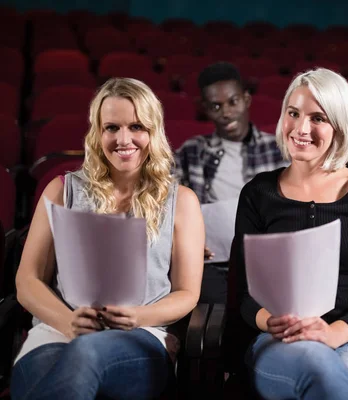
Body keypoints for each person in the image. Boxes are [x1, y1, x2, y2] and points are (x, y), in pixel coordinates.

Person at [11, 78, 205, 399]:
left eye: (136, 127)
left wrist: (138, 317)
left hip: (140, 332)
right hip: (58, 331)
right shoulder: (62, 190)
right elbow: (27, 281)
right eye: (112, 127)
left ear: (153, 132)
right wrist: (68, 321)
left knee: (86, 353)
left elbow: (187, 293)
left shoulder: (181, 200)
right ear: (97, 133)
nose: (123, 139)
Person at [232, 68, 348, 399]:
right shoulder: (258, 193)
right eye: (293, 113)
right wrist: (268, 321)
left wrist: (335, 333)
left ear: (339, 125)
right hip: (282, 340)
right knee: (322, 376)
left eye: (318, 118)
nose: (300, 128)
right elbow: (242, 293)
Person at [173, 62, 287, 304]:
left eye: (233, 102)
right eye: (216, 106)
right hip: (211, 263)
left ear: (246, 100)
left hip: (268, 258)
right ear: (205, 109)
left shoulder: (279, 150)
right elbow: (165, 203)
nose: (226, 113)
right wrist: (185, 238)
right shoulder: (192, 151)